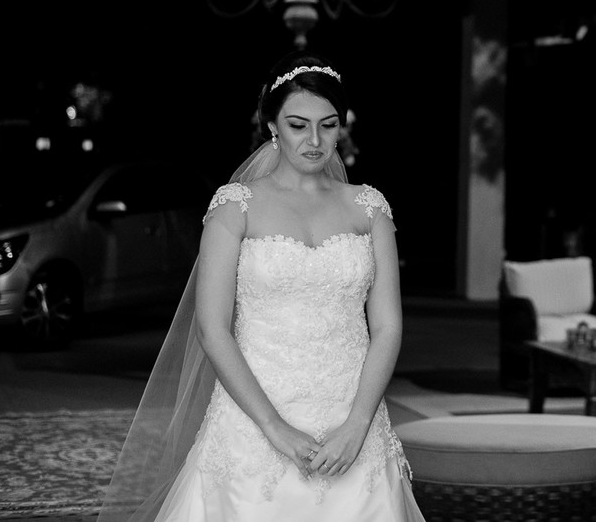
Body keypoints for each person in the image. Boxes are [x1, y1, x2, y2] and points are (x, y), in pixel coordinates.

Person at [98, 52, 425, 522]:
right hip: (254, 421)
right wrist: (274, 428)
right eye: (298, 125)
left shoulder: (369, 207)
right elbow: (213, 329)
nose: (315, 141)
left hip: (352, 420)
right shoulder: (236, 207)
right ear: (271, 125)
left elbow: (389, 326)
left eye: (329, 125)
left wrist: (357, 424)